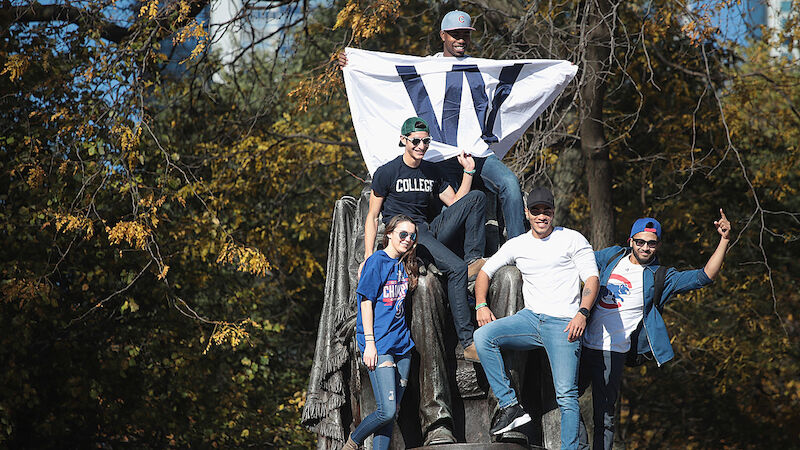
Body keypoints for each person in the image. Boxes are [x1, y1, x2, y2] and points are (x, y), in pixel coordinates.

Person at [340, 10, 527, 239]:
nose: (460, 40)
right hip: (442, 155)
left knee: (510, 183)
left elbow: (509, 88)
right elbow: (393, 82)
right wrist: (354, 63)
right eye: (454, 34)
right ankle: (450, 261)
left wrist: (558, 70)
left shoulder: (482, 68)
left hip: (477, 152)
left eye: (465, 35)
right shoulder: (428, 67)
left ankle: (519, 248)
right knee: (452, 208)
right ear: (443, 36)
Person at [579, 211, 731, 450]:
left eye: (651, 243)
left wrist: (724, 240)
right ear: (630, 241)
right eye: (640, 242)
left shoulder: (661, 276)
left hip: (613, 352)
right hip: (581, 341)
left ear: (658, 245)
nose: (645, 248)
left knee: (605, 417)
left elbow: (705, 276)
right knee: (563, 398)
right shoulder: (611, 256)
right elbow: (579, 259)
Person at [473, 186, 600, 449]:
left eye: (547, 211)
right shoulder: (518, 244)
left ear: (553, 213)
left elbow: (591, 278)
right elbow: (485, 272)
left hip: (564, 324)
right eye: (536, 211)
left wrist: (582, 313)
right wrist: (481, 305)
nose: (541, 216)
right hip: (530, 320)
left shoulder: (572, 239)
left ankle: (569, 447)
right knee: (483, 336)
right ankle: (510, 406)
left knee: (566, 395)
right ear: (527, 214)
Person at [364, 116, 486, 362]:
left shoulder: (433, 171)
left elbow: (455, 204)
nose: (421, 146)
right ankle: (468, 342)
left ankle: (475, 260)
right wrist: (368, 257)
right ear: (404, 140)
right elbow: (372, 216)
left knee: (476, 198)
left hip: (428, 229)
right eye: (416, 141)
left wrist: (469, 172)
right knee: (456, 267)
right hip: (408, 236)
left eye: (426, 141)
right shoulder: (386, 173)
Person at [343, 215, 419, 450]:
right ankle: (352, 443)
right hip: (379, 343)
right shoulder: (376, 261)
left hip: (402, 345)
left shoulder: (405, 264)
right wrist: (369, 343)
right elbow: (365, 302)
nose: (407, 240)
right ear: (389, 234)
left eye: (412, 236)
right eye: (402, 234)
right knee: (385, 411)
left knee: (392, 411)